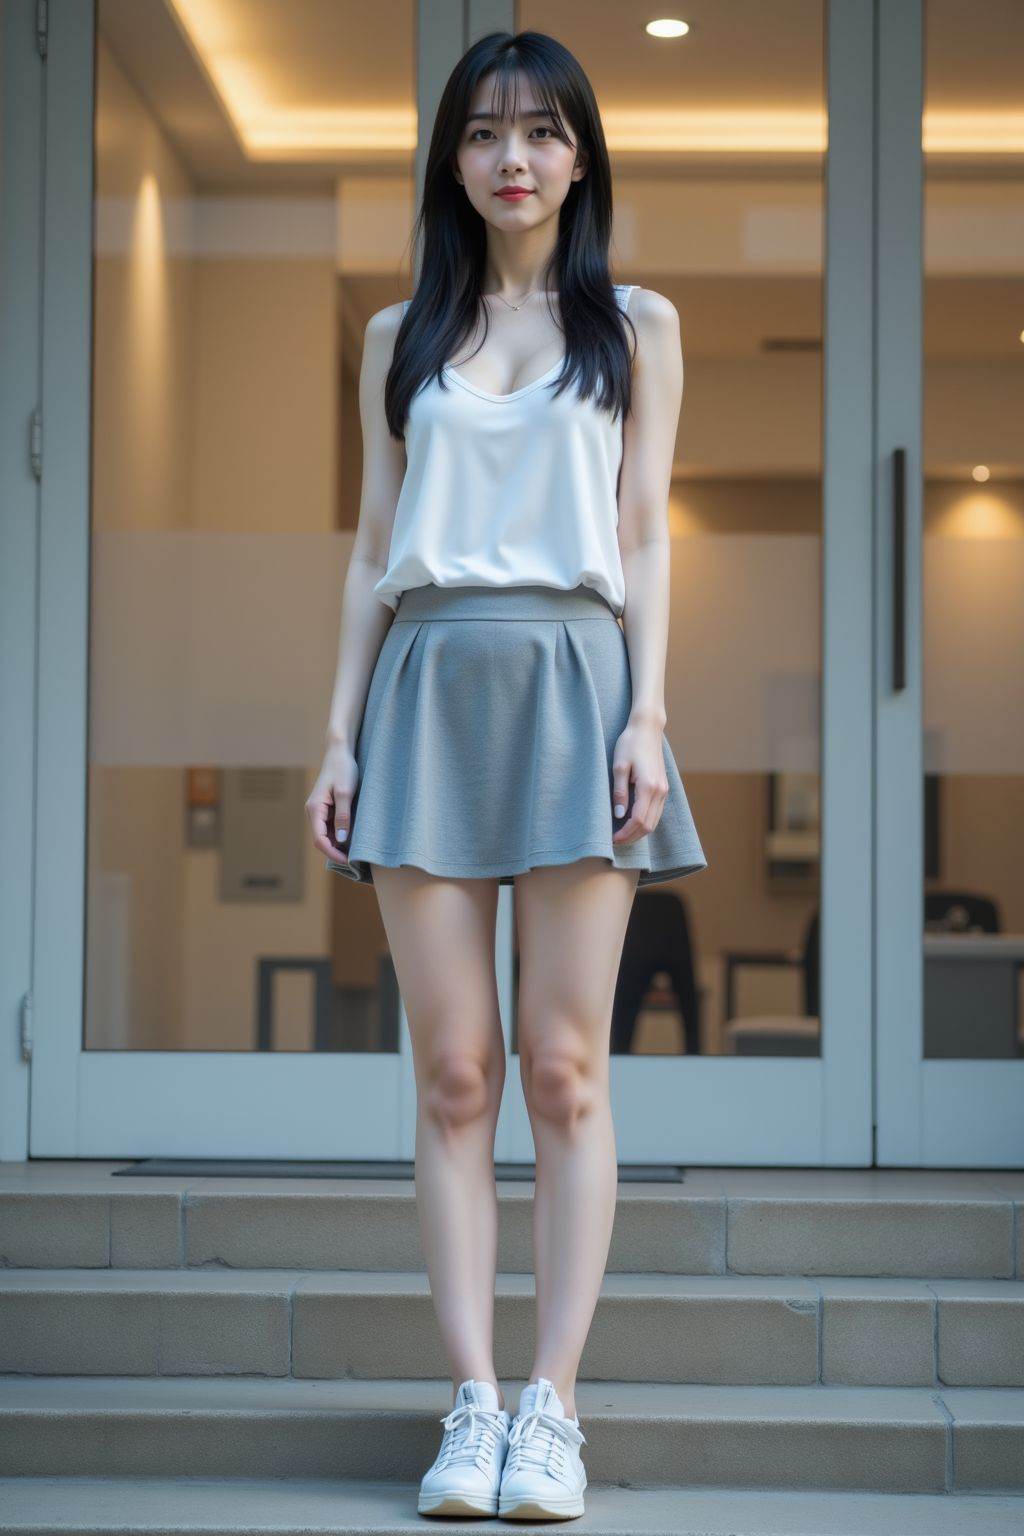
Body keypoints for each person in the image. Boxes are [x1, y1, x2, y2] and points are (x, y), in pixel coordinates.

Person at [305, 29, 708, 1523]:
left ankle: (556, 1406)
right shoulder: (397, 335)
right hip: (423, 687)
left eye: (543, 132)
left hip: (579, 685)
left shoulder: (636, 327)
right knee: (457, 1075)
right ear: (454, 160)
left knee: (564, 1070)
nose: (515, 157)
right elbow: (367, 548)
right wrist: (338, 733)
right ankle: (470, 1404)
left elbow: (649, 534)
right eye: (486, 133)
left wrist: (647, 713)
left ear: (582, 155)